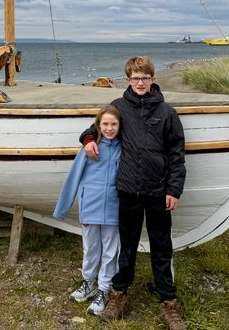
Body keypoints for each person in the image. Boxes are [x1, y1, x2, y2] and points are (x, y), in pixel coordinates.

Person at [80, 56, 186, 329]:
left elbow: (176, 154)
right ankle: (118, 295)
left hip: (158, 191)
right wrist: (89, 140)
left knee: (161, 246)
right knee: (126, 246)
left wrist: (174, 189)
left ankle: (168, 302)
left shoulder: (167, 112)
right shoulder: (119, 107)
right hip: (128, 191)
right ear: (128, 80)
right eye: (135, 78)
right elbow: (95, 127)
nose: (140, 83)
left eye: (145, 78)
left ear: (152, 79)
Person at [53, 105, 123, 316]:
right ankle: (88, 282)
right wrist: (62, 209)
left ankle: (104, 289)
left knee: (111, 251)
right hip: (90, 206)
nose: (109, 128)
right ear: (98, 125)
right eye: (105, 124)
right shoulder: (90, 148)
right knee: (91, 247)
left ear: (120, 125)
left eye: (114, 124)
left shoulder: (124, 148)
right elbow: (73, 177)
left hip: (114, 208)